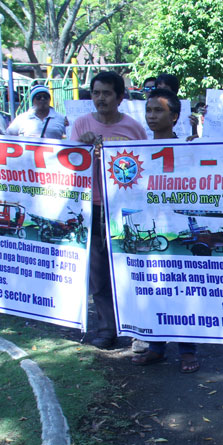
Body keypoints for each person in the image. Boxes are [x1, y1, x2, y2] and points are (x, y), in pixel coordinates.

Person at [71, 71, 147, 349]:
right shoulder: (81, 125)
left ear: (120, 97)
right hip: (92, 208)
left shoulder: (133, 128)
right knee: (99, 274)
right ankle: (106, 329)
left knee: (130, 269)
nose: (100, 98)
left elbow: (145, 166)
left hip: (124, 210)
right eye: (95, 93)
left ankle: (140, 327)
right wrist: (80, 146)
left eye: (106, 93)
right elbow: (69, 163)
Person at [130, 89, 199, 373]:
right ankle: (156, 347)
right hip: (152, 227)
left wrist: (199, 146)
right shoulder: (138, 151)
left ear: (174, 116)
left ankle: (188, 350)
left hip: (180, 229)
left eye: (158, 111)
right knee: (154, 287)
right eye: (148, 111)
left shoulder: (188, 148)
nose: (151, 116)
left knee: (183, 289)